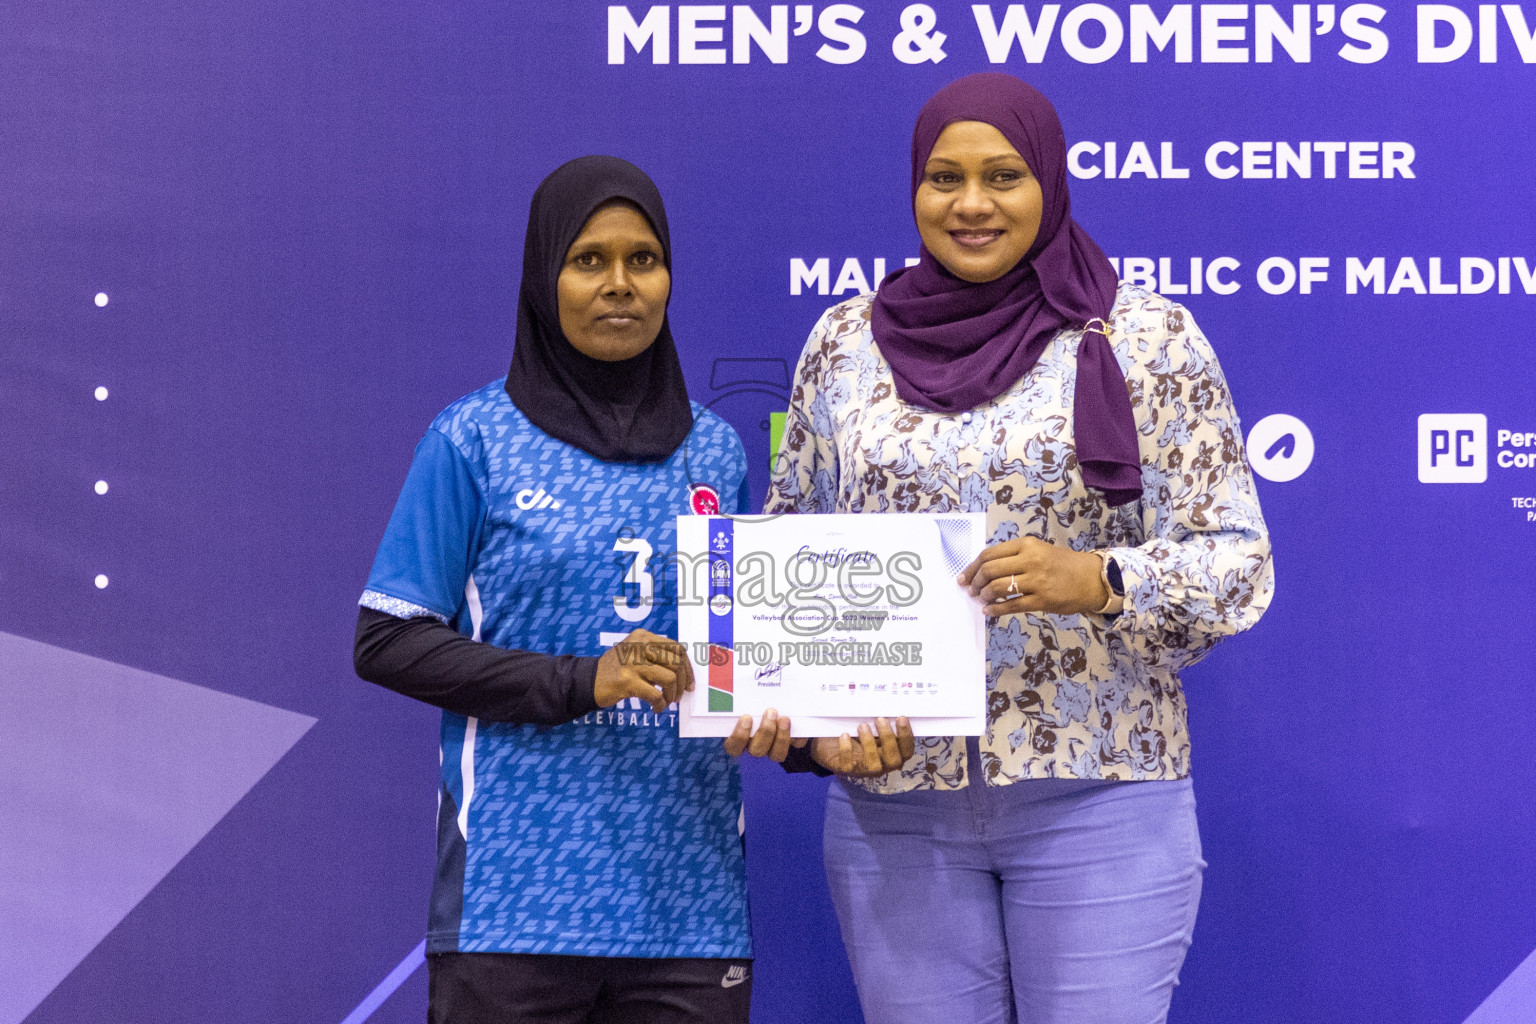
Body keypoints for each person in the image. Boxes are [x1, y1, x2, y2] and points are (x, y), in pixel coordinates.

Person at [766, 73, 1275, 1024]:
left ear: (1048, 179)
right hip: (896, 806)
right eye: (942, 178)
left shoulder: (1145, 336)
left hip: (1100, 791)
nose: (970, 203)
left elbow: (1237, 561)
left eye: (1002, 175)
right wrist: (801, 720)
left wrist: (1102, 578)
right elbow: (796, 542)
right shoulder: (844, 343)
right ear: (913, 189)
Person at [354, 155, 792, 1024]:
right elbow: (386, 638)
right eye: (589, 260)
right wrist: (581, 679)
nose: (620, 285)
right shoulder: (472, 439)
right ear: (543, 276)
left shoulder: (715, 452)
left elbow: (737, 662)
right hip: (514, 908)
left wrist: (809, 729)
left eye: (644, 260)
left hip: (688, 909)